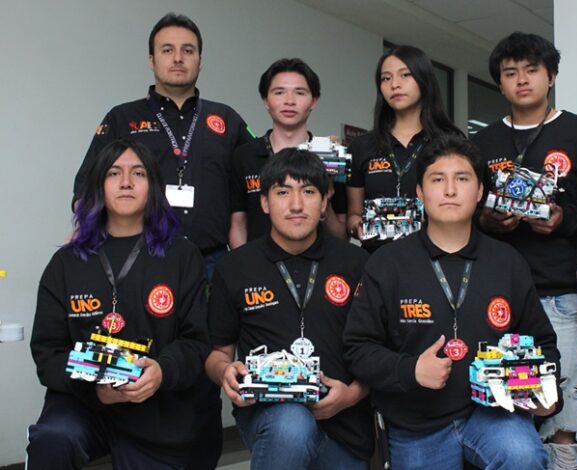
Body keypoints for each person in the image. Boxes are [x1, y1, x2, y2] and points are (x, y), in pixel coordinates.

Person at [344, 135, 560, 470]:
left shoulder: (508, 262)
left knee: (522, 455)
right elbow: (357, 348)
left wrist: (547, 394)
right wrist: (410, 370)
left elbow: (542, 342)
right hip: (417, 421)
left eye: (462, 179)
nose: (449, 190)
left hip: (493, 413)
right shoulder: (387, 263)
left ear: (480, 192)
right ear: (419, 192)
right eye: (437, 179)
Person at [28, 140, 209, 469]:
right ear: (98, 186)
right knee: (52, 439)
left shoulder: (183, 256)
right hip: (83, 403)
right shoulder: (66, 263)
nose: (126, 182)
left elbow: (196, 341)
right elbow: (47, 352)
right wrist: (93, 389)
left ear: (153, 186)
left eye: (138, 173)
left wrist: (161, 371)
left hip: (157, 408)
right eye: (114, 173)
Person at [474, 31, 577, 470]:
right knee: (503, 412)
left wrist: (562, 219)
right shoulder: (483, 142)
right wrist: (488, 221)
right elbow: (465, 215)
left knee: (562, 420)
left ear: (551, 76)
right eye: (510, 72)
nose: (522, 80)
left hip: (562, 294)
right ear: (499, 83)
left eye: (532, 70)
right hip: (497, 296)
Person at [206, 149, 373, 469]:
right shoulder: (235, 267)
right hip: (271, 416)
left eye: (308, 192)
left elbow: (379, 352)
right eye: (283, 192)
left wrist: (351, 395)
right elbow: (217, 353)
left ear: (324, 202)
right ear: (264, 202)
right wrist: (225, 372)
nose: (296, 205)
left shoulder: (357, 263)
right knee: (292, 425)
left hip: (345, 423)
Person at [73, 12, 253, 278]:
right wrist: (84, 238)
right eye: (167, 50)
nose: (178, 58)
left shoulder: (227, 119)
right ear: (152, 60)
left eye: (188, 50)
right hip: (137, 258)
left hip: (211, 263)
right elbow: (86, 187)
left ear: (200, 61)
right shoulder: (122, 118)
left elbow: (260, 175)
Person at [346, 45, 463, 246]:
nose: (395, 85)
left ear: (424, 79)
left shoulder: (451, 142)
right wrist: (358, 226)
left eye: (405, 75)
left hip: (436, 256)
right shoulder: (361, 146)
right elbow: (353, 215)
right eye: (386, 78)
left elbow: (464, 207)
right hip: (378, 258)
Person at [229, 58, 347, 248]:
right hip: (258, 263)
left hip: (318, 263)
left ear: (314, 101)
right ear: (266, 101)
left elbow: (341, 236)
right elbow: (238, 225)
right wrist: (244, 264)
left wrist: (326, 199)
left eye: (300, 93)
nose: (289, 101)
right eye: (279, 92)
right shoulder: (244, 156)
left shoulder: (332, 155)